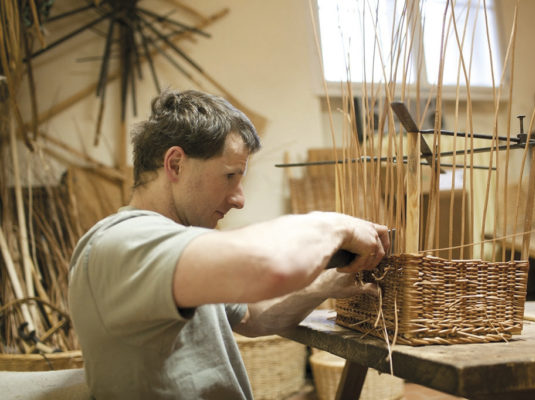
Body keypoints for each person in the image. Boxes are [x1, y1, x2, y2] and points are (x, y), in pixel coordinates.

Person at [68, 89, 389, 399]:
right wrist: (338, 226)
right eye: (230, 176)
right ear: (175, 164)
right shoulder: (124, 242)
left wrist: (326, 286)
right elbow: (272, 267)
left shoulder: (179, 246)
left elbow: (251, 317)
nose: (239, 199)